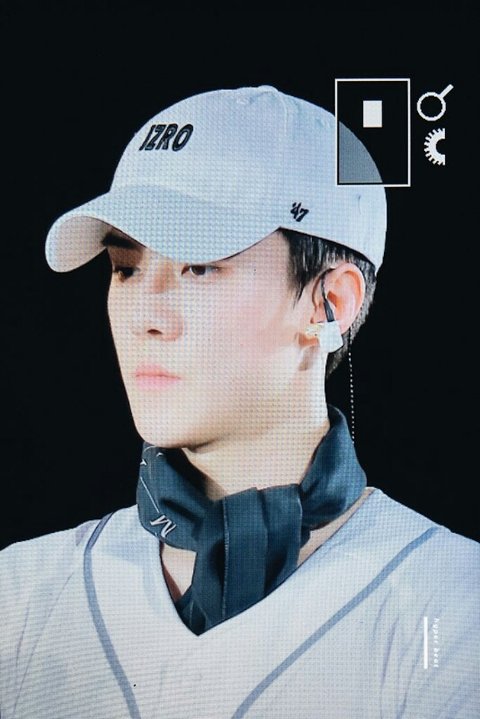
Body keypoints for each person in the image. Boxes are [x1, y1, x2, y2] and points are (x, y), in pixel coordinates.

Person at [1, 85, 478, 719]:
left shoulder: (452, 606)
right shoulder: (21, 595)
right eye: (125, 268)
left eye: (199, 266)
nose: (145, 315)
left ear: (330, 303)